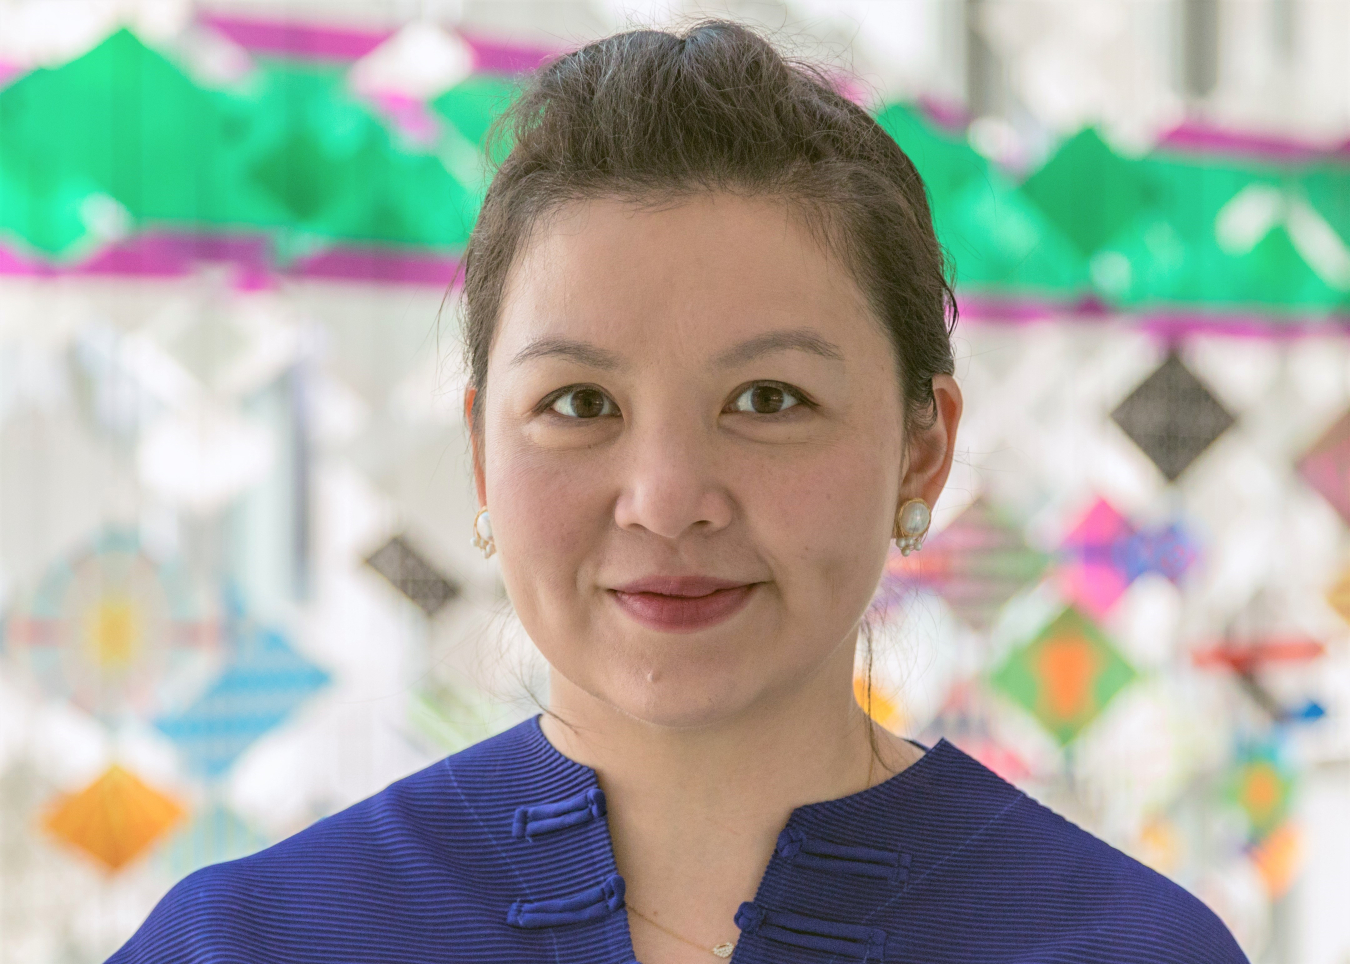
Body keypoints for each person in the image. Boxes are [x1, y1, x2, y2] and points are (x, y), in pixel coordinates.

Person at [109, 19, 1248, 964]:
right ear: (479, 455)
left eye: (767, 400)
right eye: (580, 404)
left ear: (922, 451)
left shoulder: (1126, 945)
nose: (665, 499)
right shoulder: (245, 942)